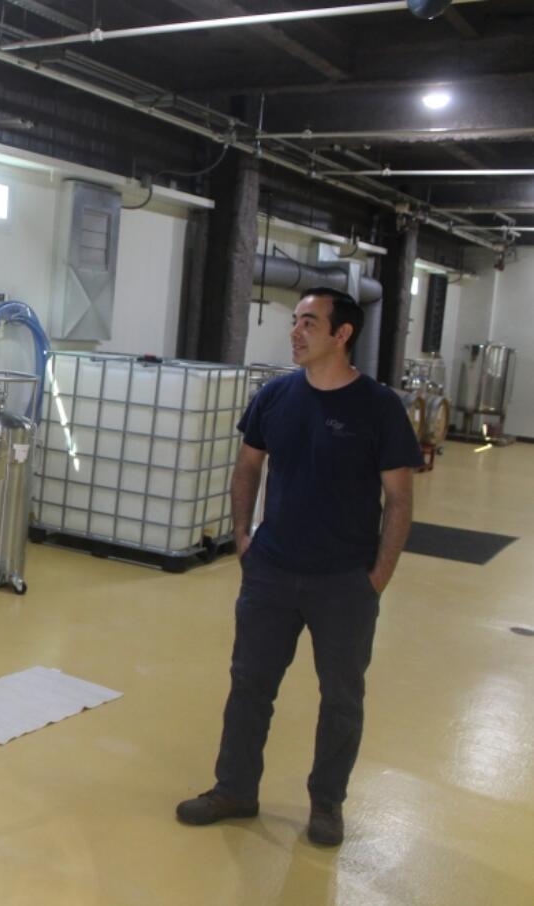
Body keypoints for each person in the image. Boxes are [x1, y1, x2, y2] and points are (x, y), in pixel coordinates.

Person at [176, 287, 424, 846]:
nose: (296, 332)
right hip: (271, 572)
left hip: (344, 582)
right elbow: (247, 467)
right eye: (295, 321)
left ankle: (327, 805)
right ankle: (235, 788)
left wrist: (376, 579)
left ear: (343, 335)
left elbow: (400, 500)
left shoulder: (379, 407)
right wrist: (244, 539)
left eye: (310, 323)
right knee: (249, 686)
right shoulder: (275, 396)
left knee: (340, 697)